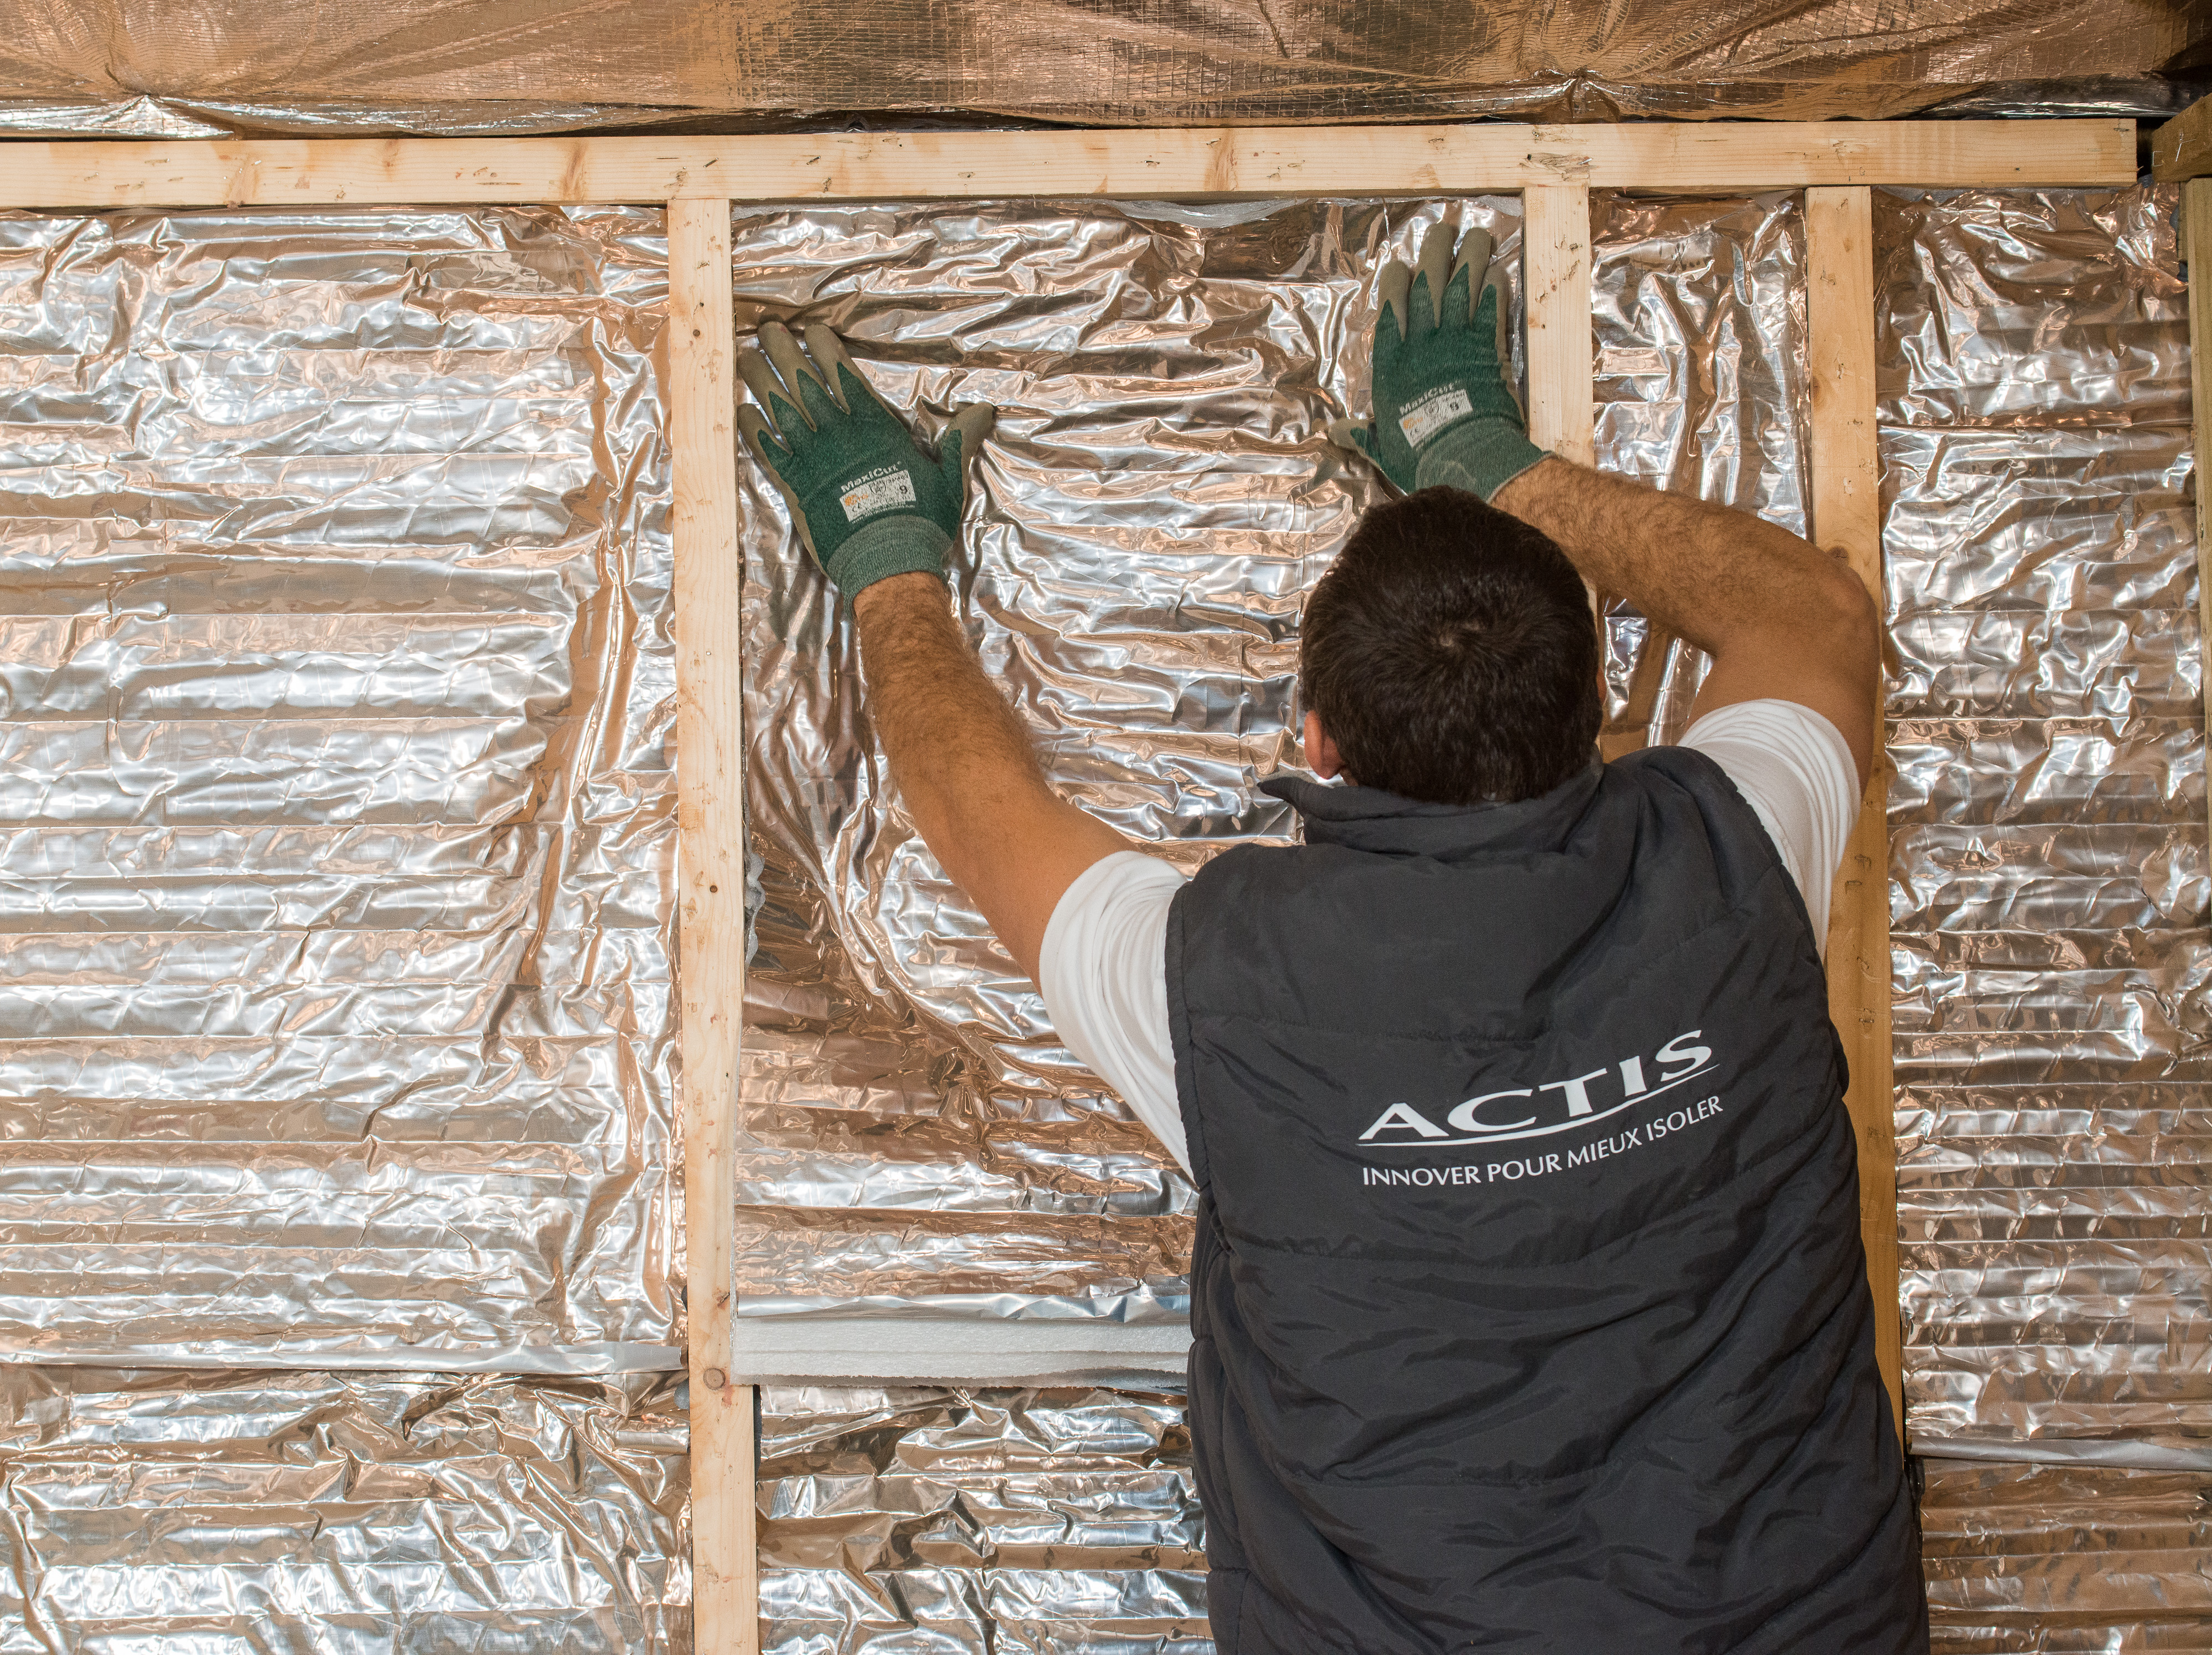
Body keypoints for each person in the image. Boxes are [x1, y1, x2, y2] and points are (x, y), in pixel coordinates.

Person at [737, 223, 1927, 1654]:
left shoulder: (1214, 985)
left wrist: (883, 551)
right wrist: (1489, 465)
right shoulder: (1737, 854)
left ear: (1314, 736)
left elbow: (978, 806)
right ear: (1597, 710)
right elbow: (1812, 612)